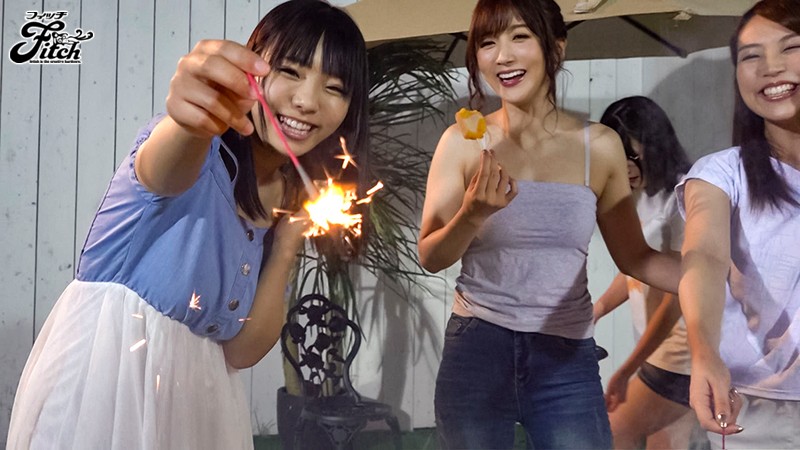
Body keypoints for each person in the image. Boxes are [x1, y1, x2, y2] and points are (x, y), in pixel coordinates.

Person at [6, 1, 368, 449]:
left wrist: (288, 243)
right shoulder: (198, 148)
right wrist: (189, 121)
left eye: (335, 88)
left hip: (200, 404)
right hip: (109, 387)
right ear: (251, 71)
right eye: (290, 71)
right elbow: (164, 168)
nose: (307, 101)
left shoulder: (289, 201)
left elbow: (241, 351)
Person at [417, 0, 681, 448]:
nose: (503, 56)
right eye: (487, 42)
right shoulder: (462, 142)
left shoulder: (599, 146)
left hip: (566, 357)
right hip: (478, 348)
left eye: (520, 36)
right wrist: (472, 214)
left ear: (556, 48)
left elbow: (636, 257)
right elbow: (431, 255)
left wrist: (715, 273)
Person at [676, 0, 800, 448]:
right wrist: (704, 350)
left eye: (791, 47)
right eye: (751, 56)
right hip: (759, 411)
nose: (771, 67)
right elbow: (705, 257)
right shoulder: (720, 174)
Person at [594, 96, 700, 449]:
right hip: (659, 354)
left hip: (681, 358)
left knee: (611, 432)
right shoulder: (640, 195)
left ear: (653, 144)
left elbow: (679, 297)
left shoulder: (683, 197)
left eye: (630, 154)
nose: (622, 166)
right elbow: (636, 267)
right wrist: (596, 310)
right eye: (614, 154)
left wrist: (628, 368)